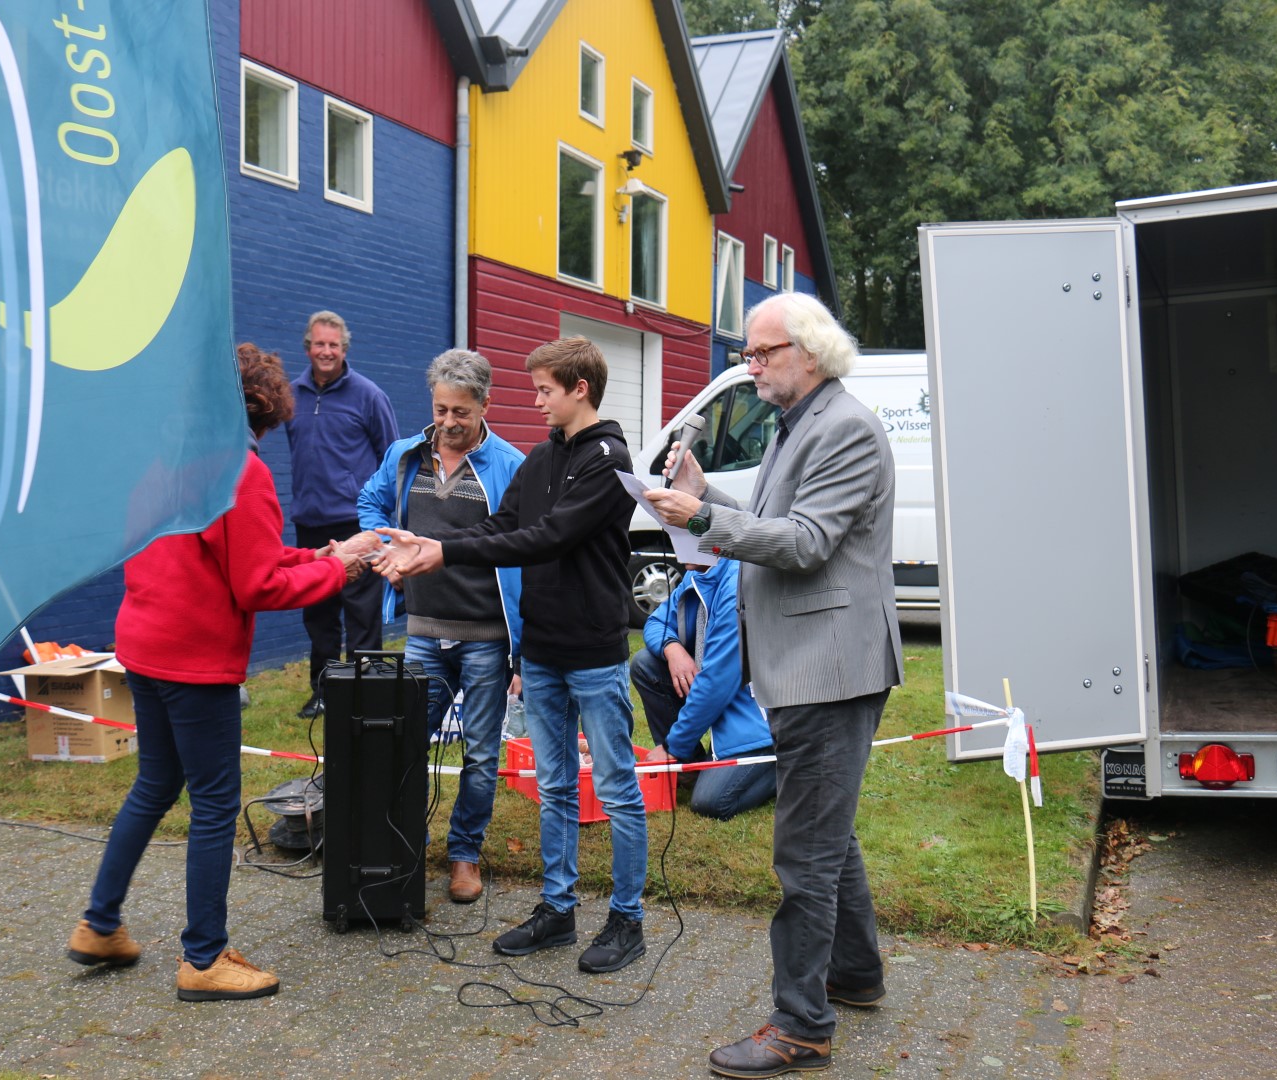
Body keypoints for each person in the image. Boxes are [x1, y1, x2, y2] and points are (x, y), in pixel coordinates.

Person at [645, 293, 903, 1077]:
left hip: (830, 671)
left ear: (810, 353)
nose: (750, 366)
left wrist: (700, 518)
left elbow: (805, 543)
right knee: (828, 835)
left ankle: (801, 1026)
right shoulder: (799, 424)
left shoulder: (844, 428)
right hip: (806, 666)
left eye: (762, 353)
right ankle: (854, 975)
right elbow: (773, 520)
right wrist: (706, 495)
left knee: (804, 857)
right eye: (748, 355)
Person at [68, 343, 373, 1002]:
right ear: (264, 410)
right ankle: (204, 957)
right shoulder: (242, 471)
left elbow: (241, 555)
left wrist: (320, 556)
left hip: (145, 647)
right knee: (212, 805)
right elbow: (256, 584)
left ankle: (100, 923)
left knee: (154, 786)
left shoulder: (167, 460)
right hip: (195, 661)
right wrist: (338, 572)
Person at [375, 337, 648, 975]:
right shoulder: (545, 455)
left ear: (580, 388)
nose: (537, 401)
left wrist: (448, 552)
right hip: (542, 650)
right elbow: (504, 524)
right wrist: (430, 544)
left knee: (615, 789)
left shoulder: (609, 460)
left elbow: (546, 537)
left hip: (593, 652)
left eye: (545, 390)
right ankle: (557, 910)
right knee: (554, 786)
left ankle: (626, 919)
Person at [356, 349, 525, 904]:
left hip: (486, 640)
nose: (449, 422)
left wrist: (522, 651)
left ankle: (464, 855)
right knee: (403, 742)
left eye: (461, 412)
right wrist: (386, 547)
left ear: (485, 405)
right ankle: (406, 841)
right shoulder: (405, 455)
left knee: (481, 755)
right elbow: (370, 501)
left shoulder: (510, 466)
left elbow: (525, 552)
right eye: (440, 409)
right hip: (423, 633)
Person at [284, 311, 399, 720]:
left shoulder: (369, 396)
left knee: (362, 611)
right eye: (320, 344)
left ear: (344, 348)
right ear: (308, 347)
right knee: (318, 612)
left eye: (334, 345)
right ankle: (325, 691)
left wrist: (383, 521)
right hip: (310, 522)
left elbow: (392, 457)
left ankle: (367, 693)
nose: (326, 351)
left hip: (356, 522)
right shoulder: (292, 395)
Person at [634, 558, 776, 821]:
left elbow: (715, 684)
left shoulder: (736, 582)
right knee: (646, 664)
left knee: (711, 802)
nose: (677, 550)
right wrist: (672, 649)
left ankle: (783, 766)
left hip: (758, 723)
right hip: (721, 700)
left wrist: (672, 747)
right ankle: (690, 768)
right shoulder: (697, 575)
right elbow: (655, 623)